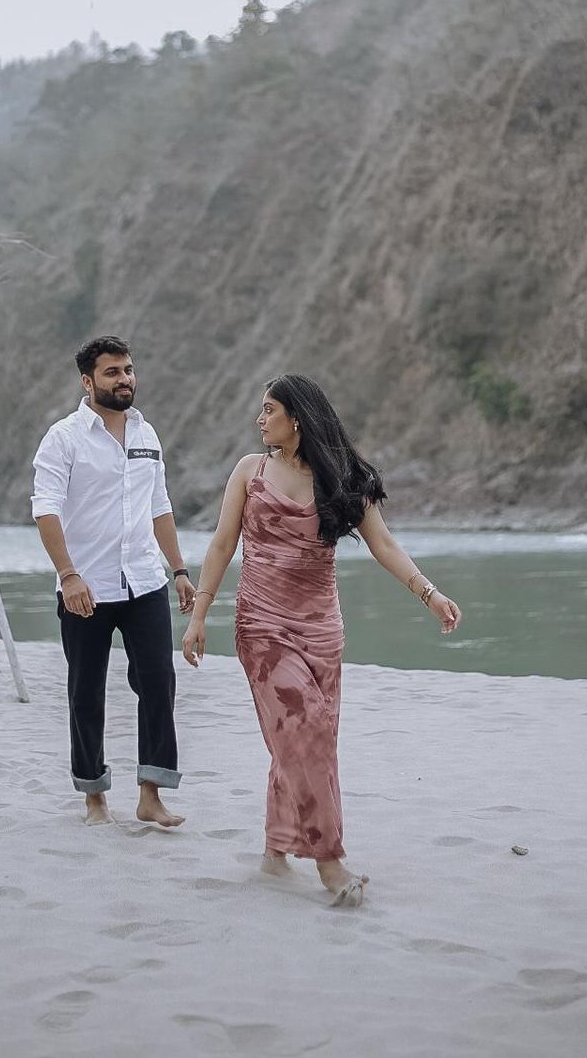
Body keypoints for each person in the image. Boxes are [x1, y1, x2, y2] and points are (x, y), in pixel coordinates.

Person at [181, 373, 461, 905]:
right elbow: (220, 547)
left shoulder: (343, 477)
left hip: (322, 630)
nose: (260, 419)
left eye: (268, 409)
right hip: (262, 625)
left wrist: (431, 594)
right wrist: (199, 617)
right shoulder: (250, 471)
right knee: (304, 730)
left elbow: (383, 543)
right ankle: (330, 863)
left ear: (297, 419)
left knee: (307, 738)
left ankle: (275, 850)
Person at [32, 335, 195, 828]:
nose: (125, 379)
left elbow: (159, 507)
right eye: (112, 372)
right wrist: (68, 575)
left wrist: (180, 570)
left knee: (159, 683)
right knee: (86, 692)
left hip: (144, 581)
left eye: (128, 370)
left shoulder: (147, 434)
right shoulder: (63, 438)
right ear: (88, 381)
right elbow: (46, 510)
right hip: (86, 588)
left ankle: (151, 795)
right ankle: (94, 797)